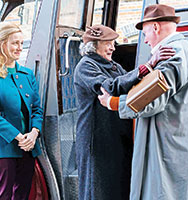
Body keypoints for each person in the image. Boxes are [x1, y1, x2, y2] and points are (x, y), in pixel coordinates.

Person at [98, 4, 188, 200]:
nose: (146, 40)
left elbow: (148, 101)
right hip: (183, 147)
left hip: (168, 152)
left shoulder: (171, 55)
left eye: (144, 33)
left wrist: (112, 102)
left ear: (155, 28)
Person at [74, 24, 175, 200]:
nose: (113, 47)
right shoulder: (86, 66)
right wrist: (148, 65)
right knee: (99, 191)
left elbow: (131, 86)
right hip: (98, 142)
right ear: (94, 45)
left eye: (113, 43)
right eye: (108, 43)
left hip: (115, 137)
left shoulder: (112, 65)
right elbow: (111, 87)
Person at [0, 22, 43, 200]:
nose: (19, 48)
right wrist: (19, 137)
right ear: (2, 43)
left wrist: (34, 133)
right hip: (0, 148)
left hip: (28, 147)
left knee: (22, 196)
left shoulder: (27, 74)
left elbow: (37, 108)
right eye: (15, 43)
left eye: (21, 43)